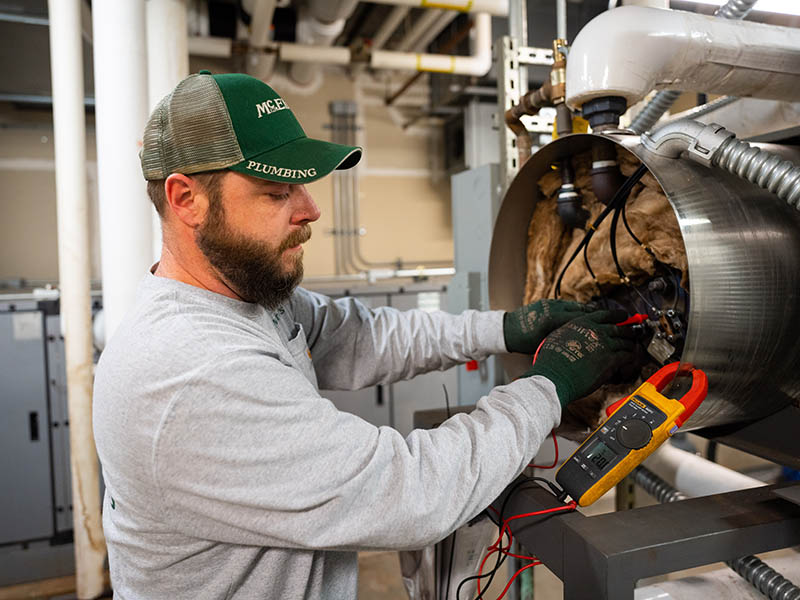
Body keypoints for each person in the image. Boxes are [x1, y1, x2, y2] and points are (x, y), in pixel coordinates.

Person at [93, 71, 635, 599]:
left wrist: (504, 327)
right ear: (186, 199)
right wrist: (548, 386)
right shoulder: (189, 369)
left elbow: (362, 337)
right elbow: (412, 493)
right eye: (276, 190)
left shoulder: (243, 299)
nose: (310, 209)